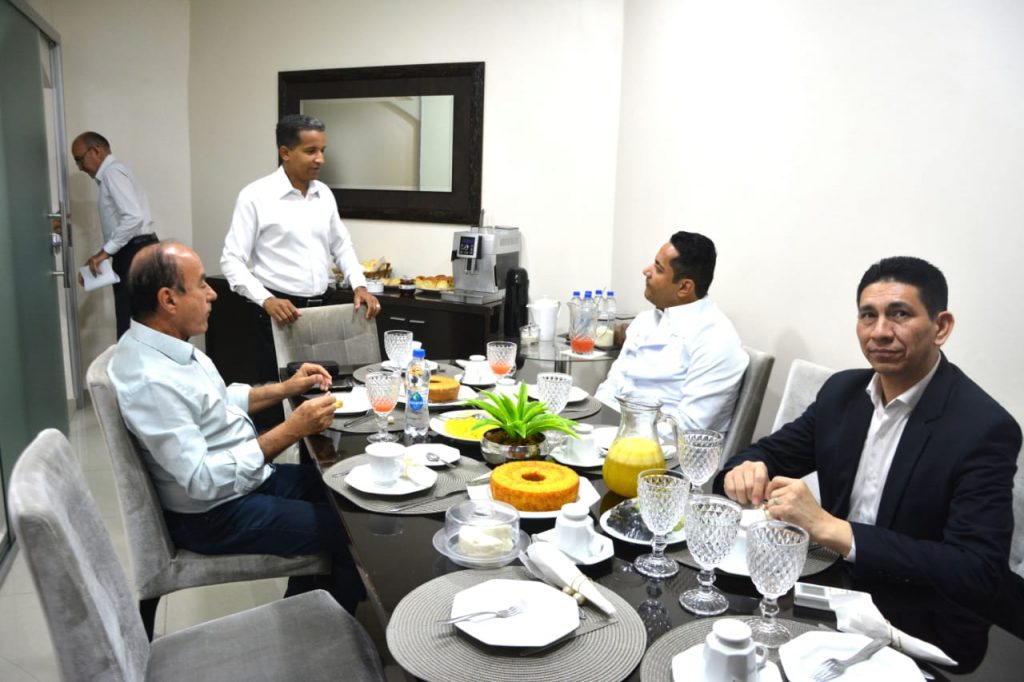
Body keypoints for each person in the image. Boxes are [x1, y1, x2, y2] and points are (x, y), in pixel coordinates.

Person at [716, 256, 1022, 612]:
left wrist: (830, 529)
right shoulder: (842, 394)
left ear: (941, 327)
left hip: (920, 612)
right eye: (868, 315)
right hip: (827, 588)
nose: (879, 331)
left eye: (900, 314)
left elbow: (978, 570)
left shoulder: (982, 428)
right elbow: (763, 455)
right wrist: (747, 470)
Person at [108, 240, 365, 613]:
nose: (213, 293)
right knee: (350, 527)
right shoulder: (151, 379)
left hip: (241, 482)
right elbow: (201, 480)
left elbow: (217, 401)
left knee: (345, 486)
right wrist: (292, 429)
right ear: (169, 300)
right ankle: (336, 636)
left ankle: (306, 606)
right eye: (201, 285)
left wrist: (286, 388)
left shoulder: (166, 345)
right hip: (214, 513)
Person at [220, 114, 380, 426]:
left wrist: (359, 284)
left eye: (322, 150)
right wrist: (266, 300)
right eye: (311, 151)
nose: (320, 159)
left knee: (326, 400)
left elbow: (342, 245)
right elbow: (231, 260)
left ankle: (321, 468)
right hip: (280, 314)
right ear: (285, 152)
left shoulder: (324, 194)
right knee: (278, 402)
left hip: (323, 313)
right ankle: (272, 467)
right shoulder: (255, 196)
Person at [594, 231, 748, 432]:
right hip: (611, 432)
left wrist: (621, 438)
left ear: (684, 287)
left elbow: (688, 428)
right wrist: (587, 426)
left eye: (658, 269)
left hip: (659, 450)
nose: (646, 271)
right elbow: (612, 385)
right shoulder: (645, 320)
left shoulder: (715, 339)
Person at [71, 132, 158, 338]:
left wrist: (104, 253)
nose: (80, 167)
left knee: (132, 326)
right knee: (138, 323)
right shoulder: (114, 173)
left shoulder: (112, 172)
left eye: (80, 159)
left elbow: (133, 217)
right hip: (136, 251)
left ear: (96, 151)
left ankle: (131, 369)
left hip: (135, 252)